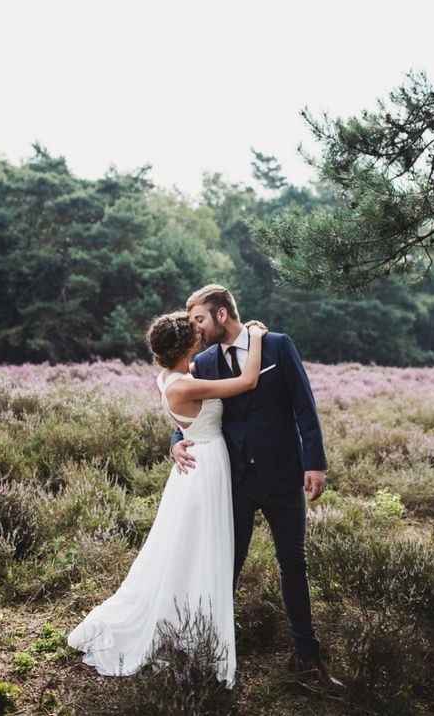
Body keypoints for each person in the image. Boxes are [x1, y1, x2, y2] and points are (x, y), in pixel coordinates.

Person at [67, 310, 266, 689]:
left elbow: (183, 424)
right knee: (198, 548)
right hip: (204, 468)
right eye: (195, 332)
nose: (200, 335)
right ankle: (191, 628)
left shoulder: (173, 378)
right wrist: (255, 337)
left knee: (188, 548)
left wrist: (176, 442)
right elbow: (248, 381)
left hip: (201, 462)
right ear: (187, 344)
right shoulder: (181, 385)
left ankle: (190, 620)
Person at [170, 284, 343, 689]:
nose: (195, 330)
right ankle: (213, 653)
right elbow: (184, 412)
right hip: (233, 482)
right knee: (225, 566)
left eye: (199, 319)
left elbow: (305, 406)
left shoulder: (278, 346)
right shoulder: (205, 361)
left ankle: (307, 658)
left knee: (293, 564)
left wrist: (314, 463)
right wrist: (176, 444)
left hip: (284, 476)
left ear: (221, 315)